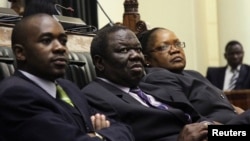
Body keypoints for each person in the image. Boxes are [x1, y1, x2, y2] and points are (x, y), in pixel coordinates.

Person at [0, 13, 134, 141]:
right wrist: (102, 135)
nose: (60, 48)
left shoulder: (68, 87)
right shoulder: (15, 95)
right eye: (46, 41)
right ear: (20, 52)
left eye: (63, 41)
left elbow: (124, 129)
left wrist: (98, 136)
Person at [81, 25, 223, 141]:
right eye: (124, 50)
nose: (135, 55)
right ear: (100, 62)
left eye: (138, 49)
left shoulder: (152, 87)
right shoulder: (95, 96)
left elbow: (197, 118)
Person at [136, 27, 245, 122]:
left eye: (178, 44)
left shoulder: (193, 74)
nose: (175, 50)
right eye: (164, 47)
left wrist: (239, 113)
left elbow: (224, 104)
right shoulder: (158, 77)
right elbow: (190, 118)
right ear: (147, 59)